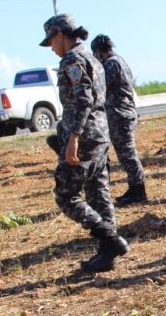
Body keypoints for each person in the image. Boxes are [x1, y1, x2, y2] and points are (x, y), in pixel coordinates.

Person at [40, 14, 128, 272]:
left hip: (85, 135)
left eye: (52, 42)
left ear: (60, 35)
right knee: (99, 192)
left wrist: (73, 138)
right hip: (100, 131)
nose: (52, 49)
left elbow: (82, 98)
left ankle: (110, 240)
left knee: (66, 195)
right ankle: (106, 255)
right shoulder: (92, 57)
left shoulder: (73, 59)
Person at [90, 35, 147, 207]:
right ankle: (134, 187)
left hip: (120, 115)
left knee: (128, 154)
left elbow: (100, 87)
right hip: (121, 114)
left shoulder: (112, 64)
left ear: (99, 51)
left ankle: (139, 190)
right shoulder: (118, 60)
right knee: (126, 154)